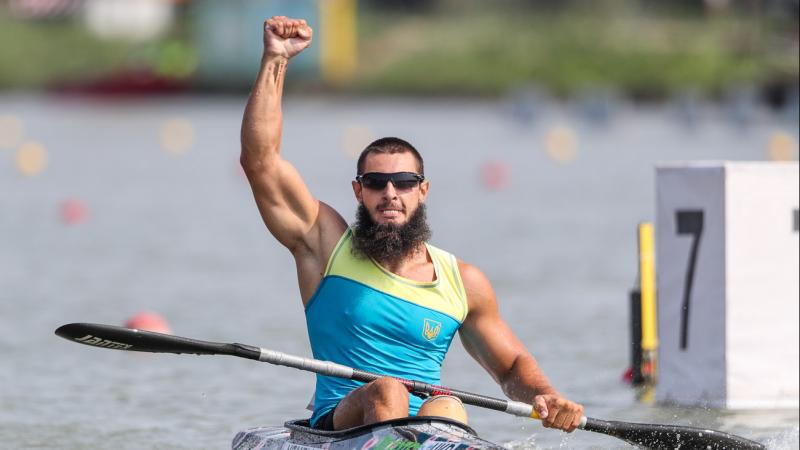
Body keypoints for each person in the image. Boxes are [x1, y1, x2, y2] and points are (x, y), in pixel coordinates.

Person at [240, 15, 585, 433]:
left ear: (422, 191)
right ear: (358, 191)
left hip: (427, 428)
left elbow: (511, 366)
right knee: (388, 390)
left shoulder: (463, 282)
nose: (390, 192)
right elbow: (261, 163)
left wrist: (545, 395)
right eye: (375, 182)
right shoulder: (325, 245)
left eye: (403, 182)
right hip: (343, 424)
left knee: (449, 407)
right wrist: (276, 59)